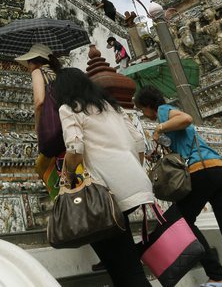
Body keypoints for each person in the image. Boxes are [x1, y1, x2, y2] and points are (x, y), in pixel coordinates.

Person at [135, 86, 222, 287]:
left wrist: (159, 129)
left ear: (148, 105)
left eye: (142, 109)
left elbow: (186, 118)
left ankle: (218, 276)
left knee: (182, 221)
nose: (144, 114)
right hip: (218, 169)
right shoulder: (166, 118)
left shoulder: (163, 111)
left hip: (201, 170)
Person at [53, 67, 152, 287]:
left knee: (124, 267)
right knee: (122, 262)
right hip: (134, 183)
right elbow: (138, 141)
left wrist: (66, 179)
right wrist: (134, 167)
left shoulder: (69, 108)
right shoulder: (111, 106)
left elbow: (75, 149)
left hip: (106, 190)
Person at [15, 42, 64, 199]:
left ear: (34, 61)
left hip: (52, 127)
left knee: (43, 165)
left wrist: (38, 125)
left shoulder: (38, 72)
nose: (28, 67)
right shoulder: (58, 74)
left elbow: (39, 101)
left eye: (29, 63)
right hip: (67, 123)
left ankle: (61, 199)